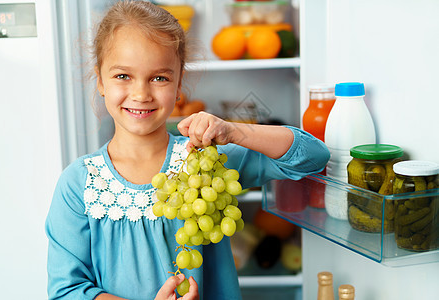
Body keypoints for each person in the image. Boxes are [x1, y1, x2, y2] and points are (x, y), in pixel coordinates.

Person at [45, 1, 330, 300]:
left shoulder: (204, 160)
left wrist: (234, 130)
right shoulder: (79, 184)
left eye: (159, 78)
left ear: (179, 82)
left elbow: (313, 155)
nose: (141, 94)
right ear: (100, 80)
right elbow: (66, 291)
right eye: (123, 76)